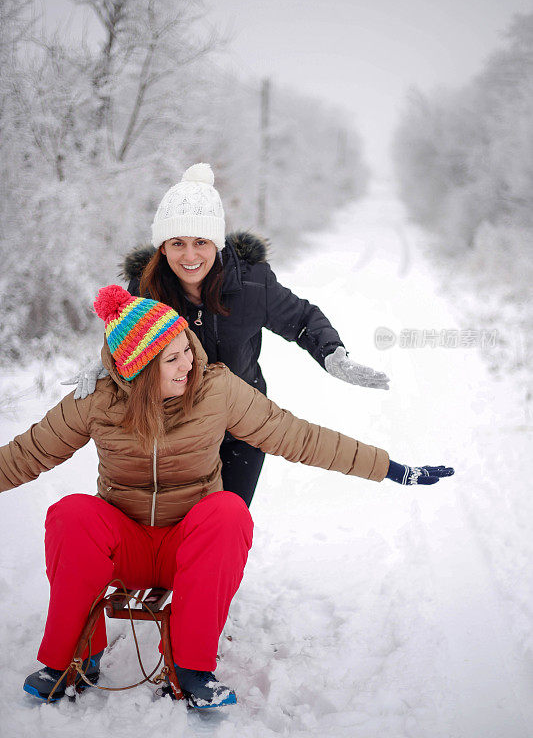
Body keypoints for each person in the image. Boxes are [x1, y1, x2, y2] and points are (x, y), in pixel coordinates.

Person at [0, 285, 454, 708]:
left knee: (228, 511)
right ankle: (73, 658)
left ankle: (190, 666)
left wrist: (391, 469)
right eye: (172, 359)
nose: (188, 364)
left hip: (188, 550)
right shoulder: (96, 399)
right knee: (71, 512)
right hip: (127, 546)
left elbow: (295, 435)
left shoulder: (216, 388)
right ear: (137, 371)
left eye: (186, 350)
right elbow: (27, 453)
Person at [65, 162, 390, 508]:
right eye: (177, 243)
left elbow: (303, 318)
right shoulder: (146, 290)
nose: (190, 256)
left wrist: (332, 353)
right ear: (162, 247)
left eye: (201, 242)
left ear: (217, 244)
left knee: (227, 519)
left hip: (241, 428)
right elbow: (124, 343)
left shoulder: (252, 284)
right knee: (179, 533)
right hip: (176, 429)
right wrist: (106, 363)